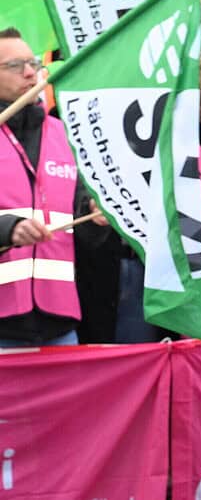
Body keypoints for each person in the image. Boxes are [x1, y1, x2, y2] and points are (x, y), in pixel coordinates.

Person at [0, 28, 102, 347]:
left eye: (32, 62)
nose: (31, 73)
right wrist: (7, 229)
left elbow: (79, 210)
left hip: (58, 323)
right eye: (15, 66)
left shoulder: (62, 131)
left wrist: (96, 212)